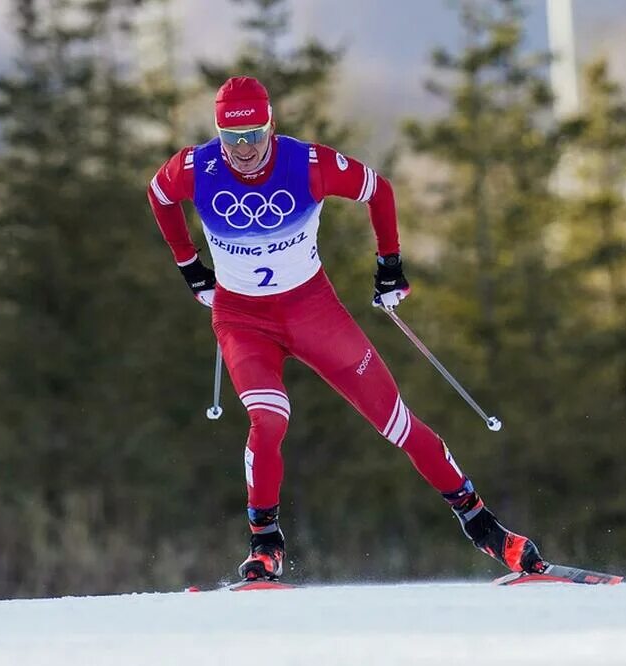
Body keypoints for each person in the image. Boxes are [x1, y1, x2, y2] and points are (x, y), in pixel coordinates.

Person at [148, 76, 547, 581]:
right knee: (268, 420)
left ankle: (486, 528)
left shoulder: (308, 163)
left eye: (254, 135)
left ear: (272, 127)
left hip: (312, 311)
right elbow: (158, 195)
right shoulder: (195, 167)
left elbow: (378, 190)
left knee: (397, 422)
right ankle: (265, 546)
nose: (244, 150)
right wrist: (189, 265)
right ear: (218, 133)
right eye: (232, 137)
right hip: (242, 319)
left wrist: (389, 265)